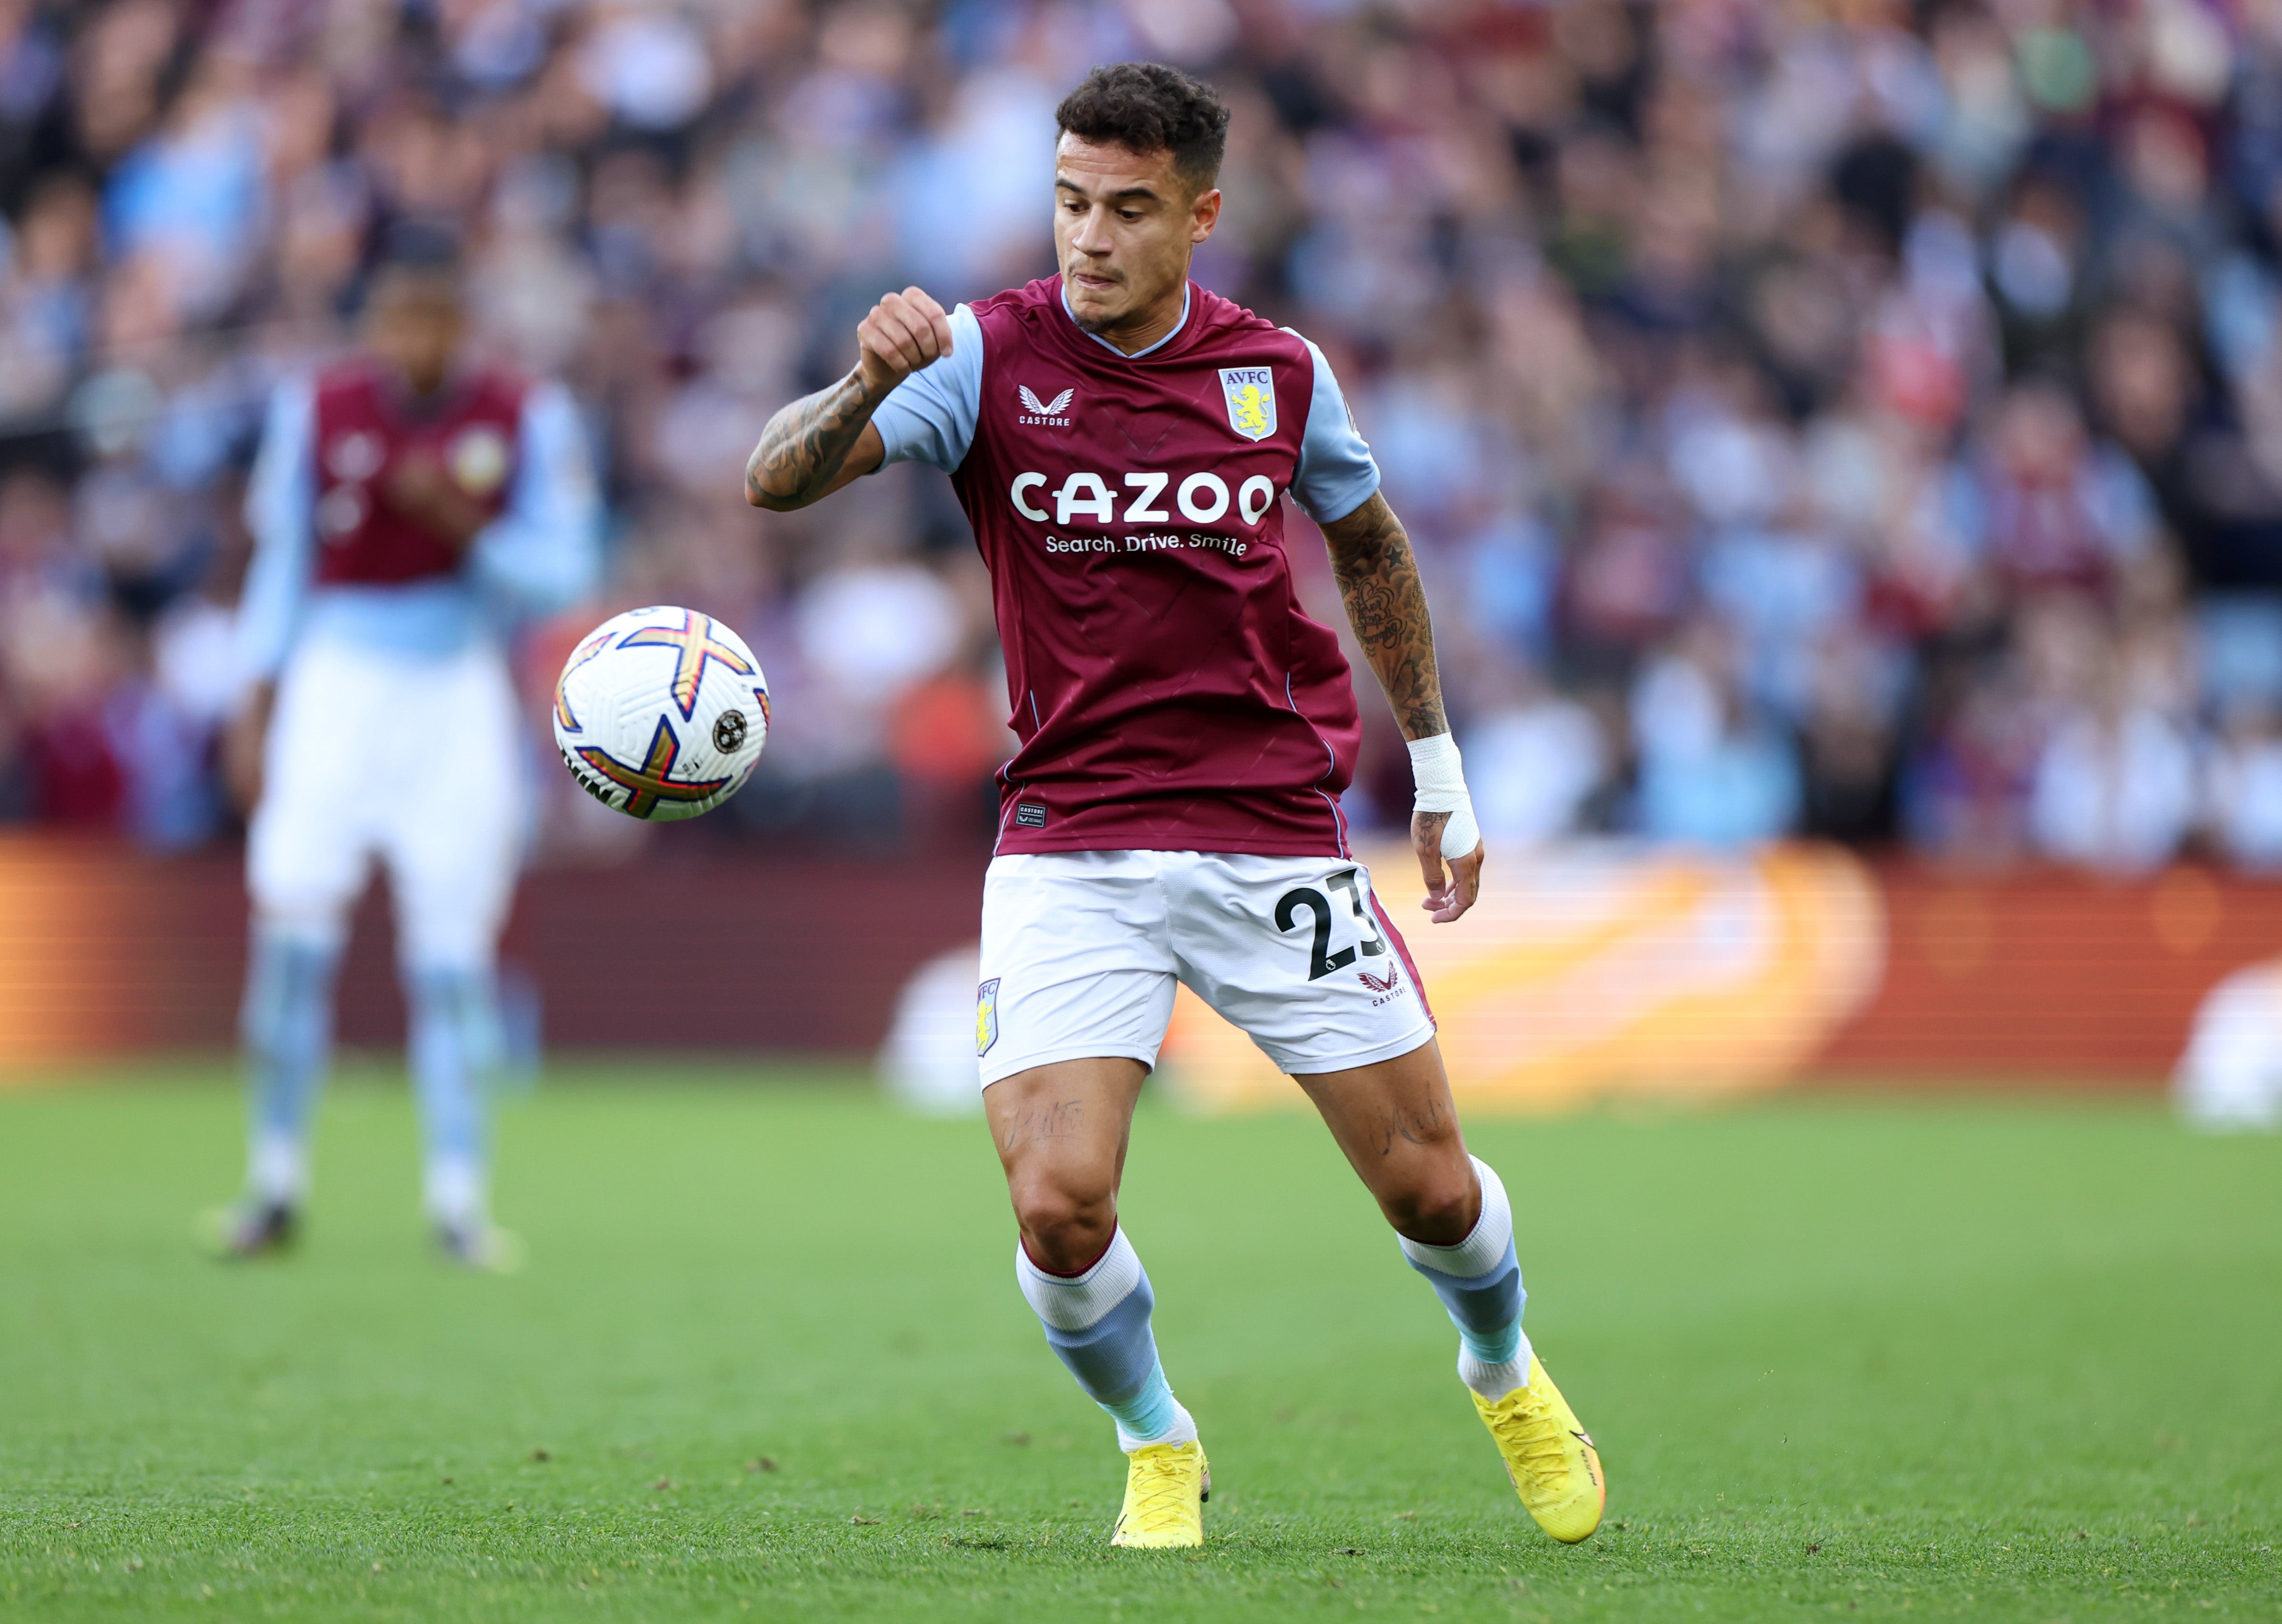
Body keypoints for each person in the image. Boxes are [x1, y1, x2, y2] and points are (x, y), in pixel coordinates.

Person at [745, 63, 1602, 1548]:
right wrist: (865, 379)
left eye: (1129, 210)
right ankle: (1155, 1436)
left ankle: (1504, 1363)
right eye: (1071, 202)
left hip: (1269, 828)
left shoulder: (1278, 374)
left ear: (1201, 215)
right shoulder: (980, 356)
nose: (1090, 237)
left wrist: (1444, 774)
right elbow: (773, 479)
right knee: (1058, 1205)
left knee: (1435, 1196)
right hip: (1069, 837)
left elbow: (1376, 550)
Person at [209, 221, 601, 1268]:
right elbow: (283, 564)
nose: (415, 341)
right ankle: (274, 1179)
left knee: (451, 958)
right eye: (398, 320)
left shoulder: (526, 415)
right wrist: (255, 701)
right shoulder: (317, 407)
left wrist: (468, 527)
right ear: (377, 321)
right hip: (337, 687)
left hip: (457, 690)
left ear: (461, 324)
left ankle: (458, 1198)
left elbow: (565, 573)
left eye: (434, 319)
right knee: (292, 932)